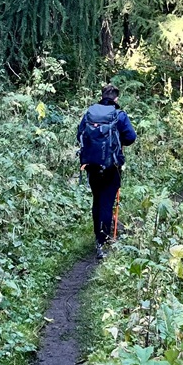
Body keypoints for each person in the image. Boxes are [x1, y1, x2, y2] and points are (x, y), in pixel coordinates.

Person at [77, 84, 136, 260]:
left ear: (102, 96)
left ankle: (98, 235)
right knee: (107, 202)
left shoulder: (89, 113)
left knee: (97, 200)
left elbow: (80, 133)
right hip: (112, 167)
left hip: (91, 165)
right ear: (116, 99)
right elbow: (131, 137)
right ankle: (103, 240)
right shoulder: (119, 115)